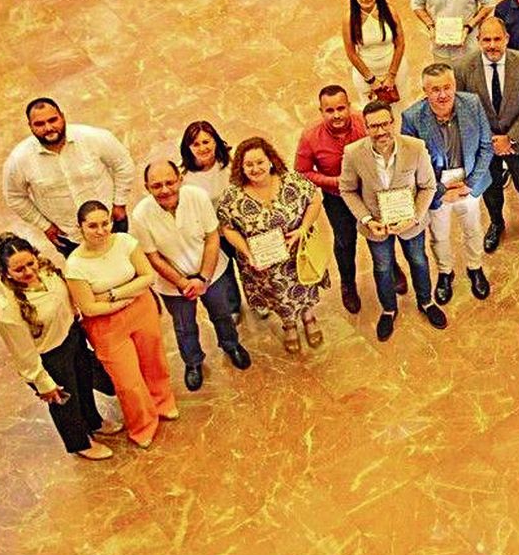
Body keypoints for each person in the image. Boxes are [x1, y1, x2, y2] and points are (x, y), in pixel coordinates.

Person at [0, 234, 120, 460]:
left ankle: (93, 421)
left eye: (31, 263)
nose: (29, 272)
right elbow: (23, 353)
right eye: (19, 270)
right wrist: (43, 383)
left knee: (84, 383)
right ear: (5, 271)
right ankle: (80, 442)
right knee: (65, 402)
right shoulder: (6, 308)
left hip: (71, 336)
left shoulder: (47, 271)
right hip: (50, 355)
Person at [129, 160, 252, 391]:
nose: (165, 190)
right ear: (147, 187)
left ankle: (231, 345)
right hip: (172, 283)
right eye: (156, 186)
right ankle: (193, 362)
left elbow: (212, 237)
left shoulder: (197, 196)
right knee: (184, 326)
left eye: (170, 182)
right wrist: (183, 282)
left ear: (180, 180)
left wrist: (203, 278)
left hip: (212, 273)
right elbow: (153, 257)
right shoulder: (140, 215)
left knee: (222, 313)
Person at [63, 201, 176, 447]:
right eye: (92, 226)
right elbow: (89, 307)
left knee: (153, 360)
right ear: (80, 228)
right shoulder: (74, 266)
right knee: (127, 381)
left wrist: (113, 295)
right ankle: (143, 424)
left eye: (105, 223)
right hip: (105, 326)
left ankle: (162, 402)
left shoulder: (125, 242)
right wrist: (124, 299)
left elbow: (147, 276)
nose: (101, 230)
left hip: (141, 310)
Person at [340, 100, 446, 341]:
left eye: (385, 124)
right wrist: (367, 219)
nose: (380, 131)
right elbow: (347, 190)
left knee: (418, 261)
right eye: (373, 126)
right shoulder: (353, 153)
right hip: (376, 226)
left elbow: (428, 186)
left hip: (411, 222)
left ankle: (426, 302)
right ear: (366, 128)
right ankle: (388, 309)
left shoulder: (415, 147)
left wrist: (415, 218)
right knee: (382, 268)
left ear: (393, 122)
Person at [216, 137, 330, 353]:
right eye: (248, 164)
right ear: (241, 167)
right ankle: (288, 325)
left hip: (298, 255)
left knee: (305, 289)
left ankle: (309, 317)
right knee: (277, 297)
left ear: (270, 160)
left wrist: (304, 228)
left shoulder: (291, 181)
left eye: (260, 162)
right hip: (263, 265)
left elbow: (315, 199)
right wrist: (247, 253)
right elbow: (227, 228)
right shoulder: (232, 197)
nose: (255, 168)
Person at [400, 63, 495, 304]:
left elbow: (486, 146)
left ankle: (475, 267)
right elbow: (411, 164)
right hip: (435, 188)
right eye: (435, 90)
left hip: (469, 181)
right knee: (439, 235)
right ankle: (445, 272)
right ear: (425, 90)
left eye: (447, 87)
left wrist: (470, 184)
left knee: (472, 229)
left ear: (454, 85)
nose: (442, 95)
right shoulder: (411, 117)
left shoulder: (472, 104)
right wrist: (440, 192)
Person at [454, 17, 519, 252]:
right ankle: (496, 223)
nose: (492, 45)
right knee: (491, 186)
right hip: (485, 144)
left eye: (497, 39)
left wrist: (511, 138)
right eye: (486, 40)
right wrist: (490, 142)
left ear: (507, 38)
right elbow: (463, 110)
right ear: (478, 41)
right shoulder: (463, 68)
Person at [3, 97, 136, 255]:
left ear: (63, 116)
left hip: (110, 224)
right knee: (88, 278)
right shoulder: (19, 159)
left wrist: (119, 204)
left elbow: (123, 165)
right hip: (68, 237)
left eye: (53, 120)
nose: (49, 128)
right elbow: (14, 197)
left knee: (131, 268)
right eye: (39, 124)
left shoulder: (94, 138)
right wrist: (45, 226)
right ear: (30, 126)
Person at [295, 85, 370, 315]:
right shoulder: (310, 137)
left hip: (368, 191)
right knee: (345, 241)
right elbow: (302, 172)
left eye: (341, 108)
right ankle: (348, 284)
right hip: (337, 197)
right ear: (321, 111)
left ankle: (391, 267)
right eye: (330, 110)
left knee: (379, 233)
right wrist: (333, 181)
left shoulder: (364, 124)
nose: (336, 115)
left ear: (349, 106)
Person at [343, 0, 407, 103]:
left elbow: (400, 43)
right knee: (373, 117)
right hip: (366, 77)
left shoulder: (390, 11)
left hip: (396, 72)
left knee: (401, 111)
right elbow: (351, 52)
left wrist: (391, 76)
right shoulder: (349, 18)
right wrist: (371, 79)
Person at [179, 120, 233, 205]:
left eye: (206, 142)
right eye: (196, 144)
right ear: (189, 148)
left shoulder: (231, 162)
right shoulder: (181, 175)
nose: (202, 148)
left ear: (214, 142)